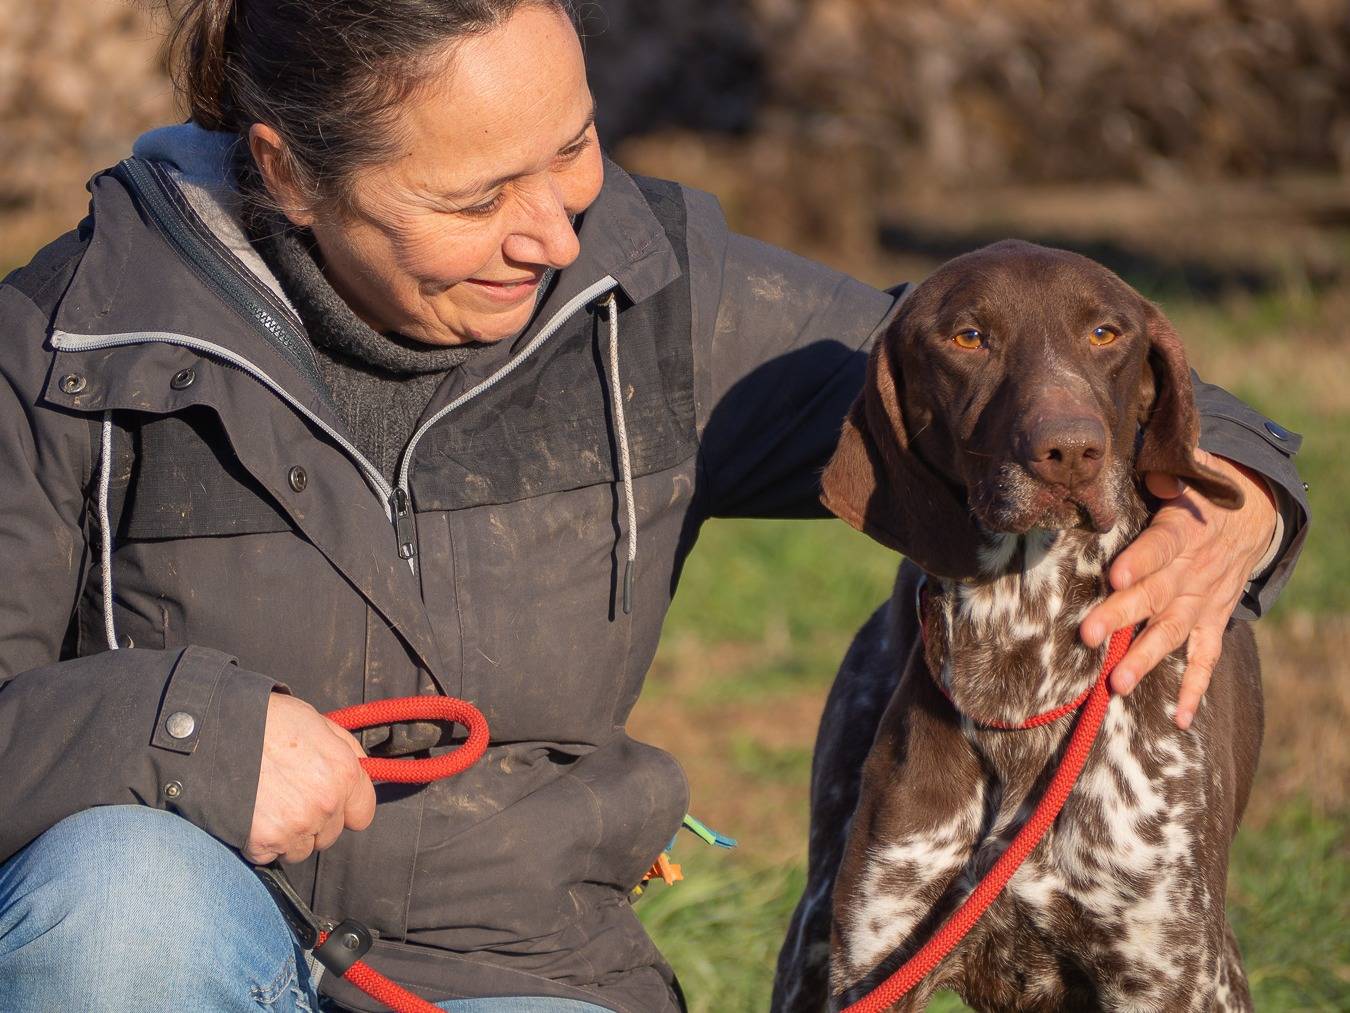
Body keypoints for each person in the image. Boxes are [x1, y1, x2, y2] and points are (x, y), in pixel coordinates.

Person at [0, 2, 1308, 1010]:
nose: (555, 234)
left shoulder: (652, 294)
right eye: (474, 198)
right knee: (117, 892)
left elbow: (987, 358)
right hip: (184, 938)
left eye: (570, 149)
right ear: (285, 175)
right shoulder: (62, 339)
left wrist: (1236, 489)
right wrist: (188, 734)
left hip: (516, 959)